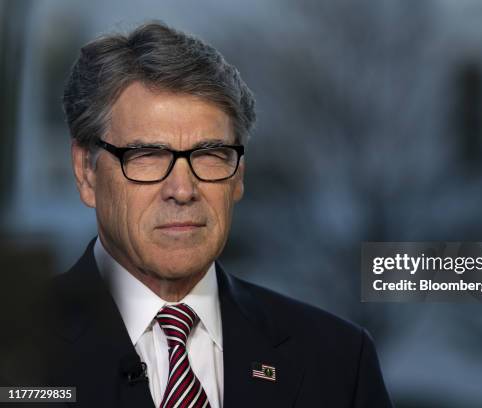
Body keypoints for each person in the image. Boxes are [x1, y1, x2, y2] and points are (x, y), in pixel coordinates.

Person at [26, 22, 392, 408]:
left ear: (238, 176)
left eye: (209, 155)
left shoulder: (339, 363)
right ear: (86, 171)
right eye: (147, 156)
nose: (182, 190)